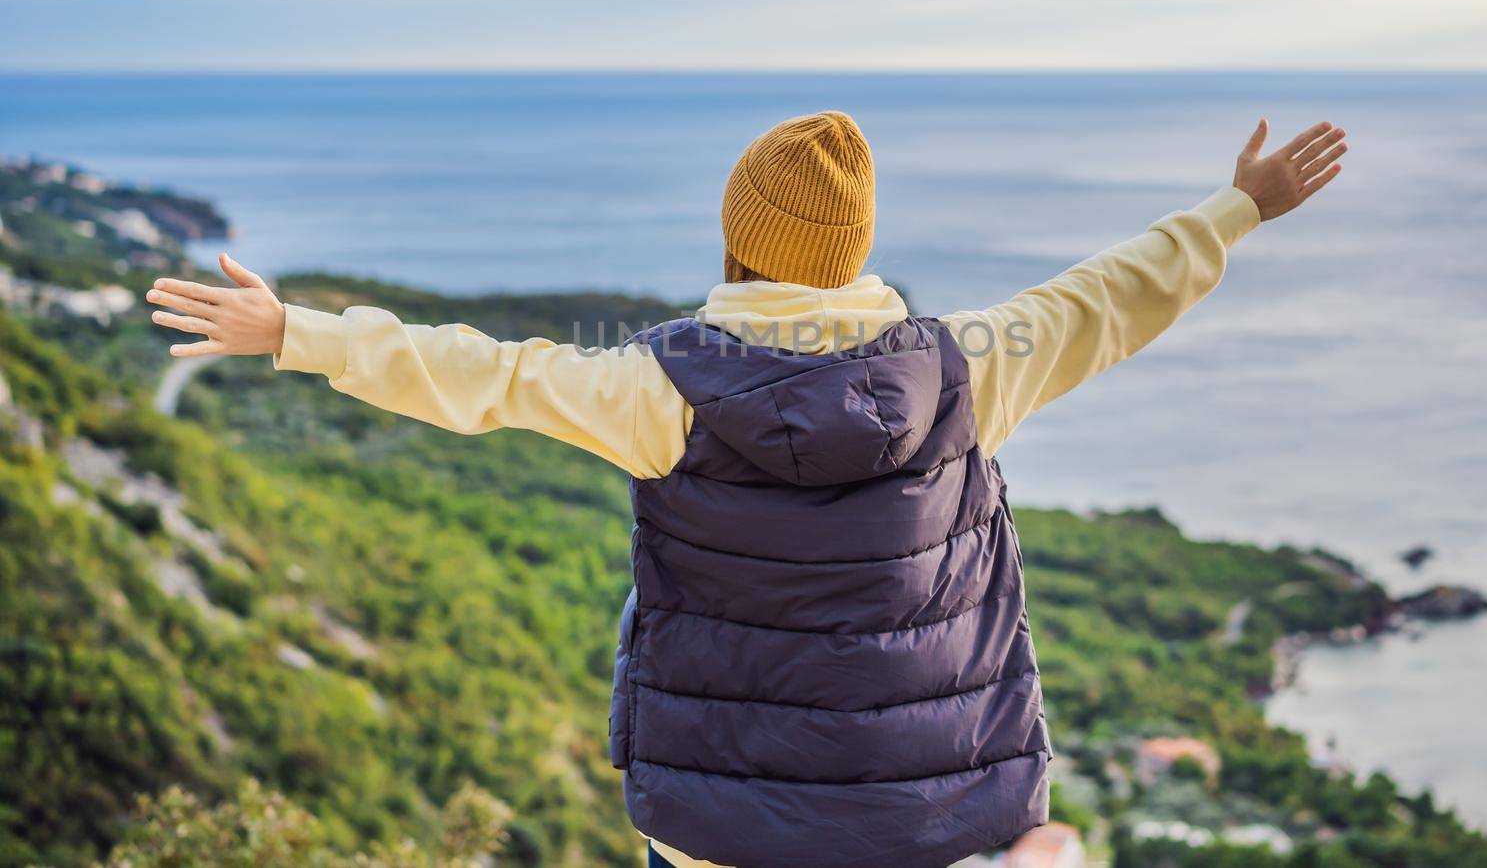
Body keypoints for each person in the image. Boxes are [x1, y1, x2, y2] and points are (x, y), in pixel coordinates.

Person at [146, 112, 1346, 868]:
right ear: (856, 248)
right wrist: (1242, 206)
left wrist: (292, 330)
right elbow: (1108, 294)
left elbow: (481, 373)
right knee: (1056, 848)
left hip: (717, 830)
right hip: (934, 828)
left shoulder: (660, 389)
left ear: (736, 243)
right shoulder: (965, 369)